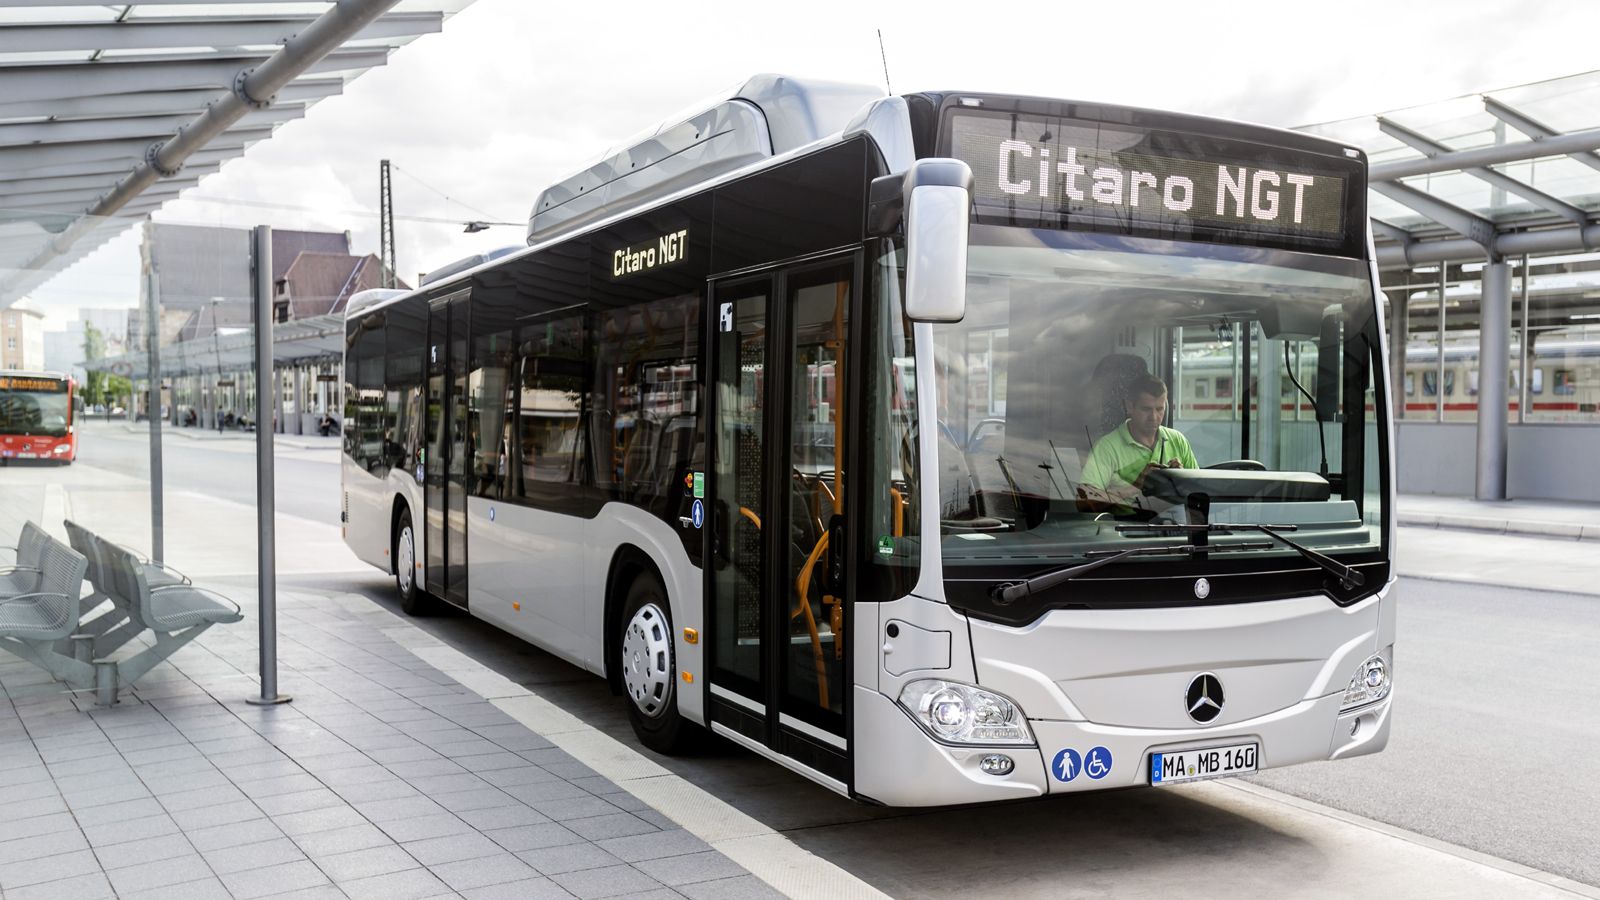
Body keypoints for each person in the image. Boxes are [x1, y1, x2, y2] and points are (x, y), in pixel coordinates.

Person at [1080, 374, 1197, 510]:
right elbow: (1084, 501)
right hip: (1123, 527)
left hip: (1171, 526)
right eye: (1146, 409)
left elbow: (1201, 494)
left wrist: (1182, 481)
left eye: (1160, 409)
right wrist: (1135, 487)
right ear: (1129, 407)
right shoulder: (1107, 447)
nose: (1153, 417)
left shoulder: (1178, 440)